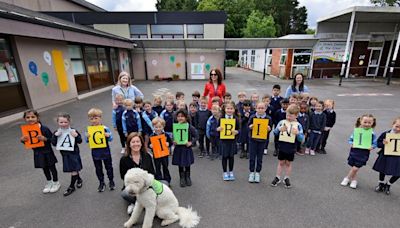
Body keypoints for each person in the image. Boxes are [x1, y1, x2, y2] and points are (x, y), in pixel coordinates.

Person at [20, 109, 60, 194]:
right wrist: (22, 140)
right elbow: (28, 141)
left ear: (37, 118)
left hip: (47, 152)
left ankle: (56, 182)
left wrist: (45, 139)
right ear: (25, 119)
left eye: (33, 117)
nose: (30, 119)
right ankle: (49, 182)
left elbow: (53, 140)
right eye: (27, 117)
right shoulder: (26, 130)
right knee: (44, 168)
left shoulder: (44, 129)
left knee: (52, 168)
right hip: (38, 153)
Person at [120, 133, 155, 215]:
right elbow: (123, 176)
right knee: (125, 194)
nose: (136, 144)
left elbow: (152, 173)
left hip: (146, 185)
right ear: (129, 144)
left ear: (141, 143)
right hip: (133, 186)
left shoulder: (147, 156)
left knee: (165, 184)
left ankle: (140, 203)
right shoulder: (124, 159)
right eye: (133, 142)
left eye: (138, 141)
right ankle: (137, 203)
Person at [271, 104, 304, 189]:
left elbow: (301, 139)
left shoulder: (298, 125)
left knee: (288, 163)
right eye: (287, 115)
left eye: (290, 116)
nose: (288, 117)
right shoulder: (282, 122)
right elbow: (274, 132)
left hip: (291, 146)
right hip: (282, 145)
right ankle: (277, 177)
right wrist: (278, 129)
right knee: (281, 162)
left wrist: (298, 134)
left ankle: (287, 178)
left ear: (296, 115)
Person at [340, 114, 377, 189]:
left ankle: (347, 178)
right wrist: (352, 143)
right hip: (354, 151)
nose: (367, 124)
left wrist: (372, 147)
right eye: (365, 122)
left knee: (355, 168)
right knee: (353, 167)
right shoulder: (356, 131)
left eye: (369, 123)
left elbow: (375, 143)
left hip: (364, 153)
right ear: (361, 121)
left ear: (372, 123)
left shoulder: (372, 133)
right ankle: (354, 180)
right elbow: (350, 139)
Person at [51, 112, 83, 196]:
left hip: (74, 153)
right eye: (61, 122)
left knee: (73, 169)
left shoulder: (73, 130)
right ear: (57, 122)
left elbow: (80, 141)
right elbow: (54, 143)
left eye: (65, 122)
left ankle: (71, 187)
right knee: (73, 168)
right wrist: (55, 136)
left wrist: (76, 136)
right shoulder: (57, 132)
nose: (63, 124)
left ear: (69, 122)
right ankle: (79, 179)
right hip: (64, 154)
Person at [86, 108, 115, 192]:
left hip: (105, 151)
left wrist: (108, 135)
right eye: (91, 119)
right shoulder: (89, 129)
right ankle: (101, 182)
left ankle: (111, 180)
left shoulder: (105, 128)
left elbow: (111, 138)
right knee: (98, 168)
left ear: (100, 118)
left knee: (109, 167)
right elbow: (87, 140)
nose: (94, 120)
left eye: (96, 118)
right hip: (95, 152)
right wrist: (87, 137)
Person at [372, 117, 400, 195]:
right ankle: (381, 184)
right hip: (385, 155)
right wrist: (383, 144)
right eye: (396, 126)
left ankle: (388, 184)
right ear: (393, 124)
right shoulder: (386, 134)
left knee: (398, 173)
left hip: (397, 157)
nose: (398, 129)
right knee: (382, 169)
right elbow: (378, 143)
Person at [248, 102, 272, 183]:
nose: (260, 109)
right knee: (252, 157)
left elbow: (270, 129)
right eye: (259, 108)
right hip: (253, 140)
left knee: (259, 158)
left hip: (262, 141)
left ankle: (257, 172)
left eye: (262, 108)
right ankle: (251, 172)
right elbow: (248, 126)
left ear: (265, 109)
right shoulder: (252, 117)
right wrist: (250, 127)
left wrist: (269, 129)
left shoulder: (268, 118)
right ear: (256, 109)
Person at [172, 109, 197, 187]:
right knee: (180, 164)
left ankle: (188, 177)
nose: (180, 118)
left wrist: (191, 142)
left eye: (182, 116)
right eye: (178, 116)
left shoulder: (189, 127)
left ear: (186, 117)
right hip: (178, 148)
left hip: (186, 148)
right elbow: (173, 137)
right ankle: (182, 178)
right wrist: (173, 141)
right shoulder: (175, 126)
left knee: (187, 163)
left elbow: (196, 136)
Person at [217, 101, 240, 181]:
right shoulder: (221, 118)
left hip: (232, 141)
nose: (229, 110)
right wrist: (218, 129)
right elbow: (217, 128)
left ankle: (231, 171)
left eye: (231, 109)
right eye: (228, 108)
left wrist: (237, 132)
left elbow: (239, 129)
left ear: (234, 110)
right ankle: (224, 172)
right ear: (224, 109)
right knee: (224, 157)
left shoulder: (236, 119)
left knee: (231, 157)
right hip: (224, 141)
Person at [149, 117, 172, 185]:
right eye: (156, 127)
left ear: (163, 127)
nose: (158, 129)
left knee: (165, 167)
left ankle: (167, 180)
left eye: (160, 127)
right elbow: (148, 144)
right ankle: (159, 180)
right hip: (156, 155)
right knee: (157, 167)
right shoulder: (152, 135)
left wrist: (168, 144)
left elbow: (170, 143)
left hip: (164, 155)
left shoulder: (166, 135)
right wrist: (150, 146)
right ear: (153, 127)